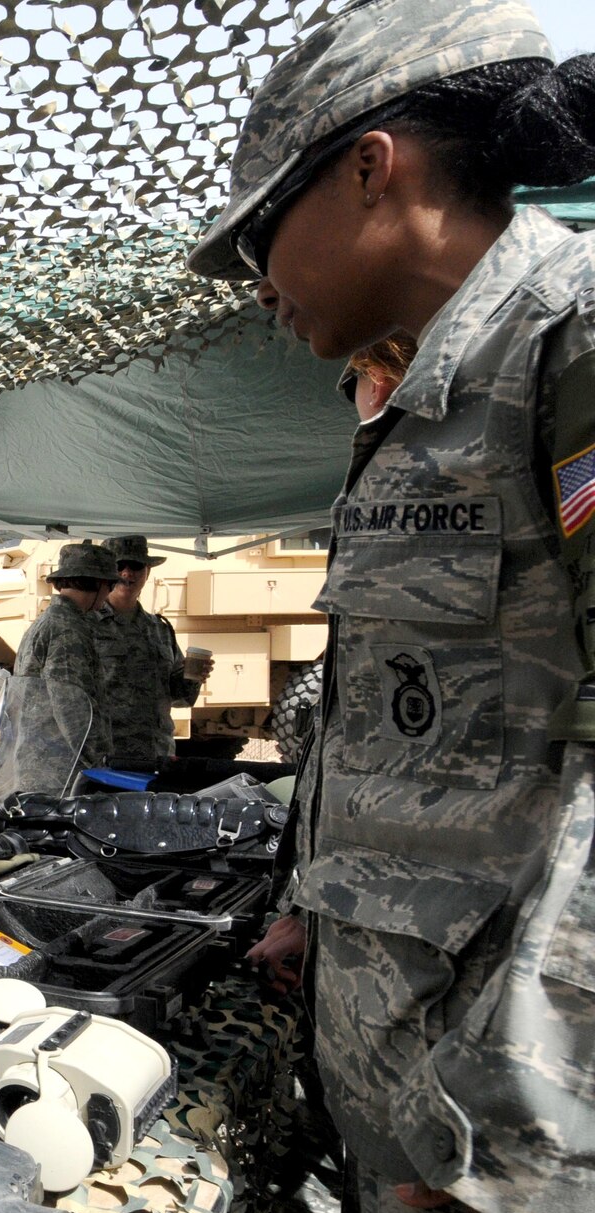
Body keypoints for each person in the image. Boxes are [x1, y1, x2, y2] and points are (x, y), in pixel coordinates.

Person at [189, 1, 595, 1213]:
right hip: (407, 1124)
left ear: (374, 168)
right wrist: (323, 897)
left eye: (263, 230)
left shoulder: (570, 347)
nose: (257, 279)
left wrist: (562, 1172)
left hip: (513, 1183)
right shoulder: (414, 409)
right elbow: (410, 726)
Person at [247, 334, 418, 999]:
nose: (361, 398)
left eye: (364, 377)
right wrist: (313, 906)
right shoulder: (378, 489)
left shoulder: (417, 494)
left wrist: (329, 905)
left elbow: (403, 759)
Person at [95, 534, 211, 770]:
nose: (128, 574)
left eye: (136, 566)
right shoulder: (87, 626)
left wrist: (194, 676)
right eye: (120, 566)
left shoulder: (159, 629)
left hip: (157, 755)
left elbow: (180, 697)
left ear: (147, 571)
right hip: (109, 757)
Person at [9, 541, 117, 793]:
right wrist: (102, 767)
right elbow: (72, 708)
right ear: (97, 583)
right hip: (62, 774)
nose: (109, 594)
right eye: (110, 585)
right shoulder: (67, 629)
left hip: (43, 767)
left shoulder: (49, 621)